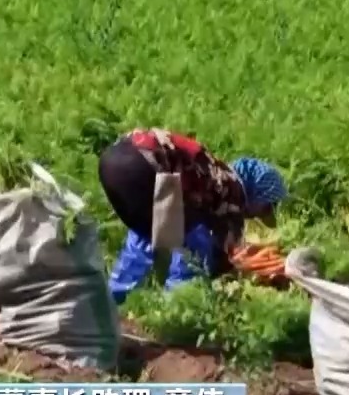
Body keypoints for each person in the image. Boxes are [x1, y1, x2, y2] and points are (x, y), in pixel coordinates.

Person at [100, 128, 286, 301]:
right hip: (146, 165)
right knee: (195, 242)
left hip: (114, 161)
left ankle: (114, 297)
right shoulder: (233, 191)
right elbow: (220, 257)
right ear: (257, 195)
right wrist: (241, 269)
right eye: (267, 207)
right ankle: (177, 302)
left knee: (147, 234)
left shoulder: (211, 175)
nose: (260, 215)